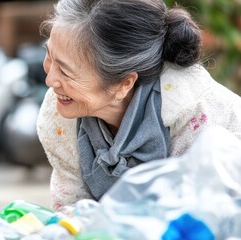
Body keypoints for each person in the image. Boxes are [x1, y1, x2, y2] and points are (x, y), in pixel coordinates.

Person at [37, 0, 241, 210]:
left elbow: (204, 218)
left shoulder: (194, 114)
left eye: (65, 71)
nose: (50, 81)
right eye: (49, 56)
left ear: (124, 83)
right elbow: (73, 211)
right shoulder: (58, 115)